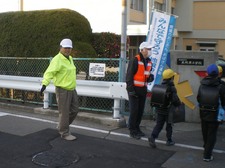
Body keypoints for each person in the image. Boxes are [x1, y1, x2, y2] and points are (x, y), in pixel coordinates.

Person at [40, 38, 79, 141]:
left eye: (69, 48)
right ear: (61, 47)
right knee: (64, 112)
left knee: (75, 110)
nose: (67, 50)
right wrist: (44, 84)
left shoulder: (70, 58)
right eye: (65, 48)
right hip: (62, 90)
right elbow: (49, 72)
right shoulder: (57, 60)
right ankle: (64, 133)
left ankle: (62, 126)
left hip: (71, 89)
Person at [126, 41, 154, 139]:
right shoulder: (135, 60)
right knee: (134, 111)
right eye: (148, 49)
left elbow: (147, 75)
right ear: (142, 50)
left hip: (143, 90)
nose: (150, 51)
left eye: (150, 49)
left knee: (140, 111)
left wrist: (151, 78)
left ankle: (137, 129)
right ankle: (132, 130)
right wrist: (130, 90)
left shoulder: (149, 61)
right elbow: (129, 76)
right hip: (134, 90)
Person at [197, 64, 225, 162]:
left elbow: (198, 98)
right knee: (212, 134)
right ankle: (207, 155)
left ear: (207, 73)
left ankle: (206, 147)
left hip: (203, 112)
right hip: (215, 113)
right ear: (218, 73)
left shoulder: (202, 85)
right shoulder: (221, 86)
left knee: (205, 132)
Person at [149, 68, 181, 148]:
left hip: (160, 109)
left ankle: (153, 137)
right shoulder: (171, 88)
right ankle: (169, 140)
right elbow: (175, 99)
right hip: (168, 110)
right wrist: (179, 104)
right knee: (169, 125)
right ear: (171, 78)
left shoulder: (161, 86)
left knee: (159, 125)